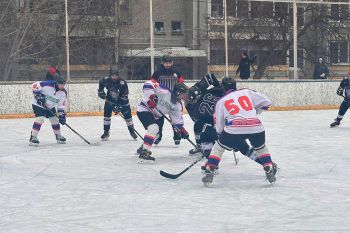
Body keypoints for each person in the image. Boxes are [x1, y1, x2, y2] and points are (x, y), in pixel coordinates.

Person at [201, 77, 278, 186]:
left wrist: (221, 135)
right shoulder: (246, 92)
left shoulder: (221, 102)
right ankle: (268, 167)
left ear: (222, 87)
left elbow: (219, 126)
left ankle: (210, 169)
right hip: (256, 126)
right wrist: (255, 112)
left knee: (218, 148)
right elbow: (267, 102)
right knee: (261, 148)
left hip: (234, 128)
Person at [136, 80, 189, 161]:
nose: (185, 96)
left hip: (157, 116)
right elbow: (148, 84)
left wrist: (181, 129)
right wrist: (151, 96)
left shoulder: (177, 105)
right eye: (184, 94)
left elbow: (176, 120)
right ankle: (145, 152)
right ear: (178, 92)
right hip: (145, 109)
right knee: (154, 128)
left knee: (155, 134)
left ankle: (143, 147)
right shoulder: (164, 91)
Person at [98, 70, 137, 140]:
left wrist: (119, 106)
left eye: (116, 75)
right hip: (110, 101)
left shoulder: (122, 83)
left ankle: (132, 131)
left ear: (118, 75)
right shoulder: (106, 80)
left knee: (128, 117)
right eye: (112, 75)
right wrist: (100, 91)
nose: (114, 77)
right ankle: (106, 132)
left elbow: (124, 96)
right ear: (110, 75)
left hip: (123, 102)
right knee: (106, 116)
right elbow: (101, 83)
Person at [29, 76, 67, 146]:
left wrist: (61, 115)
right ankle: (33, 137)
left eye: (63, 85)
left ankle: (58, 136)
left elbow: (61, 105)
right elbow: (34, 85)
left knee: (55, 120)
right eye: (61, 84)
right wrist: (38, 95)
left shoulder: (63, 93)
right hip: (38, 105)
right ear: (56, 83)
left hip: (50, 106)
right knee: (40, 119)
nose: (62, 86)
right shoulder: (47, 84)